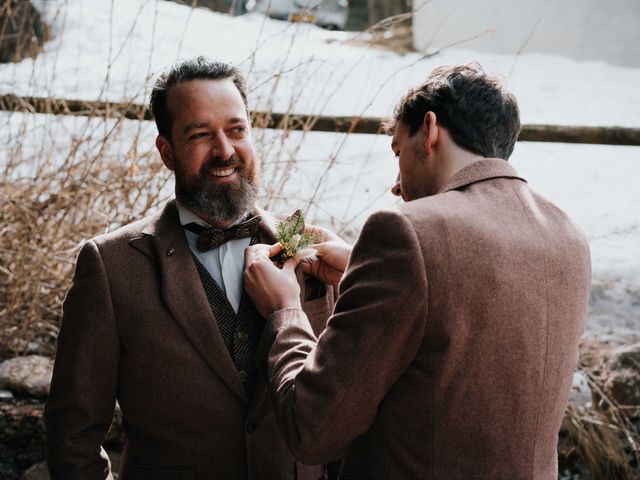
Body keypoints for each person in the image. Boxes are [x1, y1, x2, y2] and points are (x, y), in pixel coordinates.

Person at [243, 63, 592, 479]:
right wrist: (363, 265)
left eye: (398, 152)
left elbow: (313, 427)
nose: (396, 184)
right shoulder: (568, 236)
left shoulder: (406, 230)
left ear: (429, 131)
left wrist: (285, 310)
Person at [44, 56, 338, 480]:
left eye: (237, 130)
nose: (224, 151)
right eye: (201, 134)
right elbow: (72, 436)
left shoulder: (314, 254)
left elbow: (346, 413)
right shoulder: (110, 266)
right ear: (166, 151)